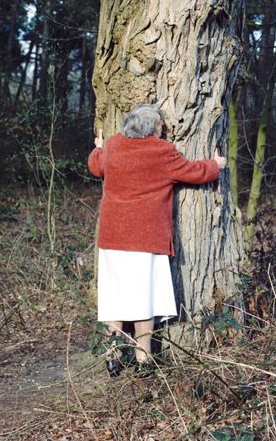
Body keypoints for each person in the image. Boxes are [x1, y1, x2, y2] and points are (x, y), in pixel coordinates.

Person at [87, 103, 227, 377]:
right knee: (144, 299)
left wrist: (98, 147)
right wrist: (216, 165)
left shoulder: (114, 146)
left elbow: (96, 166)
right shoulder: (162, 152)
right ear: (153, 129)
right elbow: (194, 172)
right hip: (145, 238)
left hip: (114, 236)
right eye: (161, 126)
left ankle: (112, 356)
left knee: (114, 297)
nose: (164, 130)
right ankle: (143, 357)